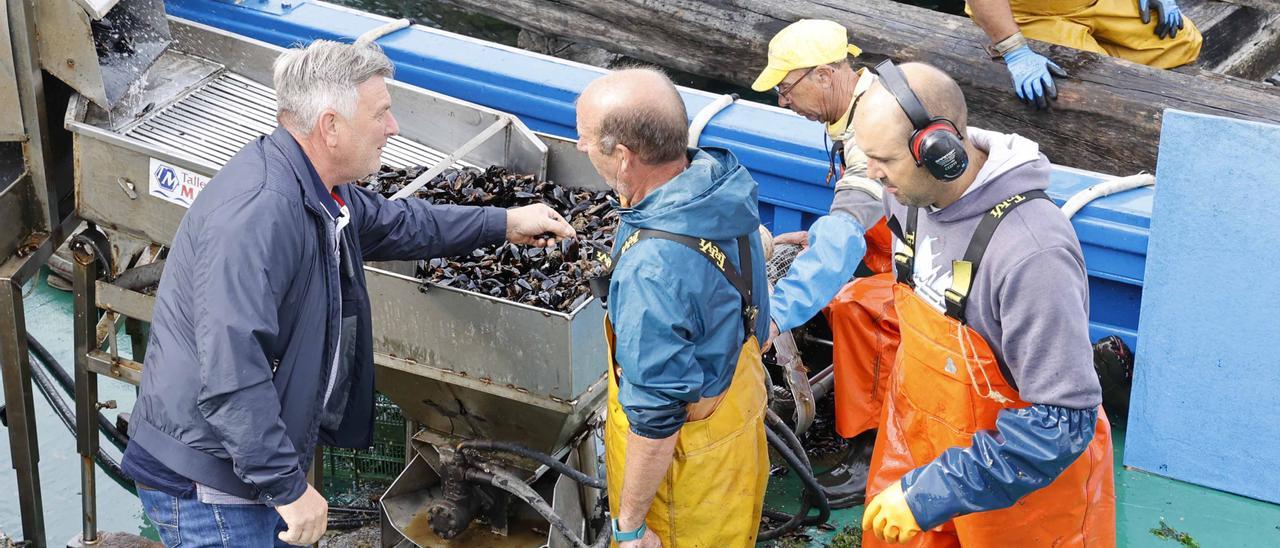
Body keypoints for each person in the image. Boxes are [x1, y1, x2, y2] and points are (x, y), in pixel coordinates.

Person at [120, 40, 574, 547]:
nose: (393, 127)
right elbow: (229, 374)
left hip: (243, 466)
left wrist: (504, 222)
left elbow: (398, 222)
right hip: (211, 486)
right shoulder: (260, 214)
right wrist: (288, 488)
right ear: (330, 126)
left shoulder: (315, 187)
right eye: (381, 113)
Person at [841, 61, 1114, 545]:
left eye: (883, 159)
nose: (872, 173)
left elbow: (1065, 424)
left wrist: (937, 491)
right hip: (917, 444)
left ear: (940, 150)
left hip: (1018, 495)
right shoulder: (904, 193)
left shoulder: (1033, 253)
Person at [575, 67, 770, 547]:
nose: (579, 147)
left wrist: (632, 526)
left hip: (687, 481)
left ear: (622, 157)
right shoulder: (718, 184)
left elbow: (658, 420)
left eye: (584, 139)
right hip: (736, 434)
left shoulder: (651, 271)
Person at [750, 18, 893, 507]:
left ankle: (871, 451)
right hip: (906, 248)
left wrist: (774, 314)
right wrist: (816, 236)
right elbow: (881, 208)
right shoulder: (863, 101)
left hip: (941, 270)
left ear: (826, 76)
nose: (783, 103)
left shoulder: (875, 130)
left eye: (787, 90)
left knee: (856, 308)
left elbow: (849, 231)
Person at [967, 0, 1202, 109]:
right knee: (1095, 82)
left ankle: (1096, 42)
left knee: (1182, 42)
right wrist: (1014, 50)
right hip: (1029, 12)